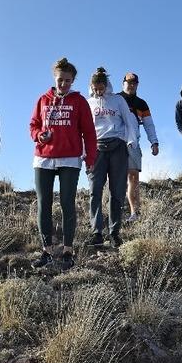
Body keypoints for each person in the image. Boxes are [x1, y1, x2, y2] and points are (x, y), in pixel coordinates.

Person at [29, 58, 97, 270]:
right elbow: (33, 125)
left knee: (67, 203)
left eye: (68, 80)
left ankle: (68, 251)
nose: (63, 84)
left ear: (73, 80)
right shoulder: (43, 100)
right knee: (44, 204)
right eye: (60, 80)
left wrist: (91, 158)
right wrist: (40, 135)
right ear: (54, 78)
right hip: (43, 158)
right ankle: (46, 251)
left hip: (70, 159)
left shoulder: (80, 102)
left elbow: (89, 132)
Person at [87, 67, 137, 248]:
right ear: (91, 86)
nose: (98, 91)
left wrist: (131, 141)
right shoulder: (89, 103)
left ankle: (114, 232)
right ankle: (96, 232)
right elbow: (84, 129)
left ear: (106, 85)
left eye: (101, 87)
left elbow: (129, 121)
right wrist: (85, 152)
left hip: (117, 146)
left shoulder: (118, 100)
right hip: (96, 149)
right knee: (95, 191)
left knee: (117, 191)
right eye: (95, 88)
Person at [117, 72, 159, 223]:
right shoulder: (115, 99)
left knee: (133, 177)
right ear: (123, 83)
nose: (131, 85)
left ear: (137, 85)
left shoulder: (142, 104)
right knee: (115, 178)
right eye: (128, 82)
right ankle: (115, 212)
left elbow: (149, 124)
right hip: (115, 142)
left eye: (134, 83)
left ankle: (135, 213)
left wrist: (154, 142)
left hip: (133, 143)